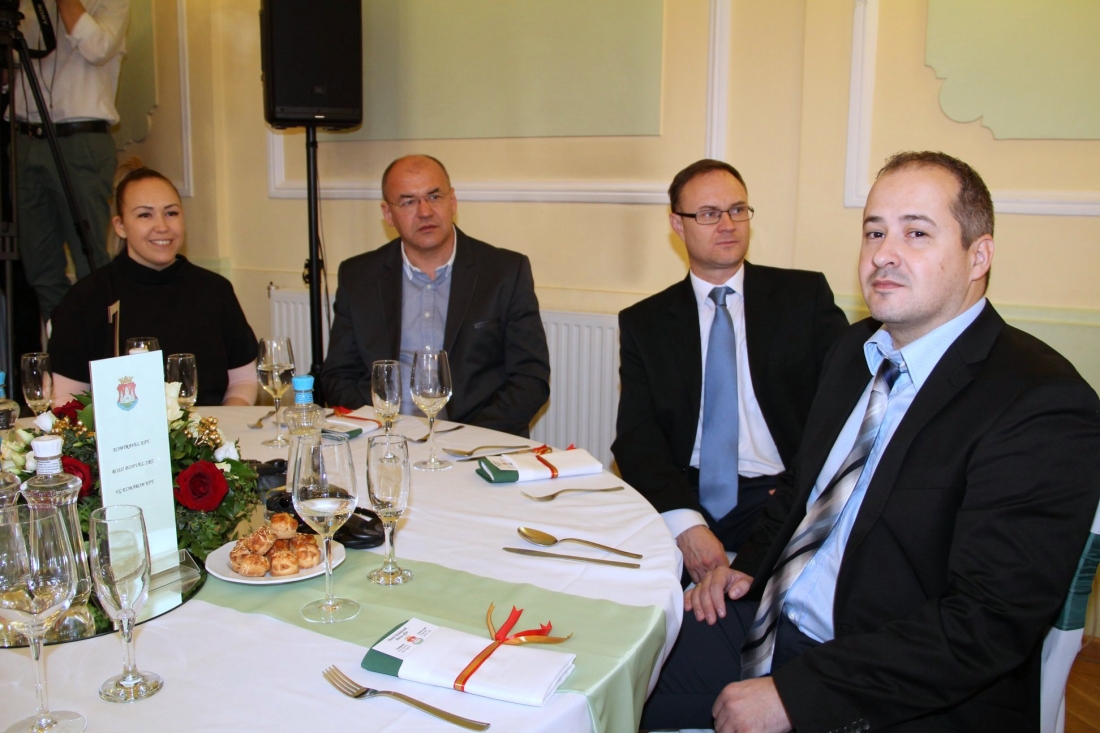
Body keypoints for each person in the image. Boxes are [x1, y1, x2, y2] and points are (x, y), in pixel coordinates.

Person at [640, 151, 1100, 733]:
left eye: (916, 233)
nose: (883, 253)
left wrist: (798, 696)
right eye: (874, 232)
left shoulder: (1040, 402)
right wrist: (749, 568)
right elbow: (802, 491)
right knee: (605, 677)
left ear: (978, 255)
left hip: (887, 683)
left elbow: (985, 624)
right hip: (773, 618)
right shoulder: (855, 352)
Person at [613, 159, 847, 583]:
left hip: (776, 491)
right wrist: (686, 525)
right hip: (685, 489)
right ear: (678, 224)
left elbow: (844, 405)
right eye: (708, 214)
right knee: (622, 581)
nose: (727, 224)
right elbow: (637, 437)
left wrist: (798, 488)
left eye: (737, 210)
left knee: (749, 593)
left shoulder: (803, 298)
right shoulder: (645, 322)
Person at [321, 154, 550, 437]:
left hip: (477, 439)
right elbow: (338, 376)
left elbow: (530, 379)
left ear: (452, 201)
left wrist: (463, 437)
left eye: (434, 196)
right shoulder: (358, 276)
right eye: (408, 201)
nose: (425, 212)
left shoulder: (504, 272)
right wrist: (384, 427)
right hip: (387, 438)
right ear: (388, 214)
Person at [48, 166, 258, 406]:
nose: (162, 226)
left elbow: (242, 381)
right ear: (120, 226)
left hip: (212, 426)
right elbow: (68, 399)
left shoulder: (215, 290)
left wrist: (225, 423)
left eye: (171, 213)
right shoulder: (86, 298)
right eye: (145, 215)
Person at [11, 0, 130, 320]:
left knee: (89, 260)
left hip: (80, 140)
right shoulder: (25, 5)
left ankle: (99, 345)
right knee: (40, 267)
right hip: (24, 138)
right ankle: (60, 346)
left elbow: (97, 48)